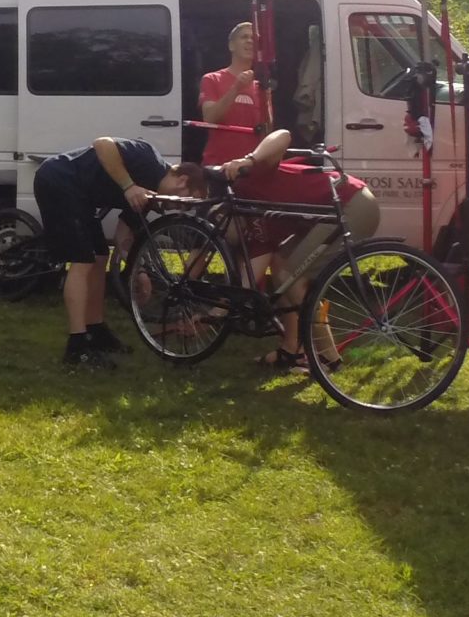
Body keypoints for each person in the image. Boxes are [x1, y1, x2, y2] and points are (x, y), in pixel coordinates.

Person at [211, 127, 383, 371]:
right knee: (282, 268)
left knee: (293, 277)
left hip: (351, 204)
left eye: (219, 221)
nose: (224, 231)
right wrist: (216, 311)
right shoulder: (252, 230)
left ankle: (327, 358)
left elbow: (283, 135)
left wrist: (247, 159)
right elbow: (246, 285)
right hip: (335, 210)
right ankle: (293, 350)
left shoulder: (250, 178)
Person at [31, 135, 208, 367]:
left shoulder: (149, 198)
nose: (182, 208)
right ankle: (77, 347)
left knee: (100, 256)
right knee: (82, 261)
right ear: (182, 181)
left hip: (80, 195)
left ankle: (95, 330)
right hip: (58, 180)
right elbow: (103, 144)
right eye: (186, 201)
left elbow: (124, 237)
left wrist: (140, 270)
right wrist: (128, 186)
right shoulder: (148, 158)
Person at [197, 21, 268, 165]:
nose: (250, 41)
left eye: (254, 39)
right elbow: (209, 118)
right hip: (218, 167)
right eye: (244, 37)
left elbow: (266, 133)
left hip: (248, 168)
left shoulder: (261, 86)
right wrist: (236, 88)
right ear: (231, 46)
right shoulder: (211, 79)